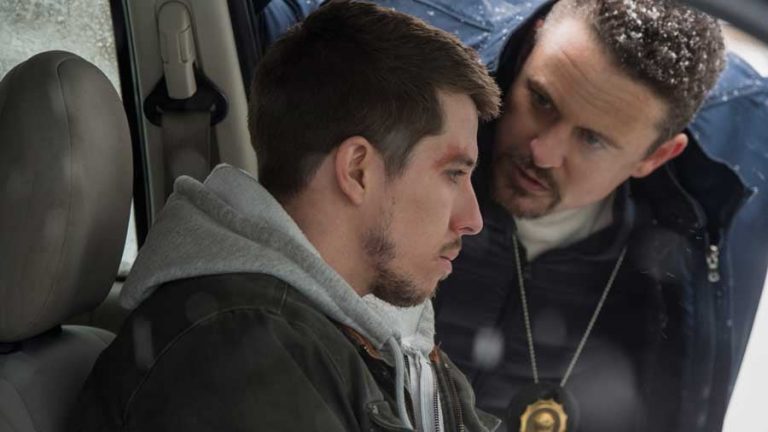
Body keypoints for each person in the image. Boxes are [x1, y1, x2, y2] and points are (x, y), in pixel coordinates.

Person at [69, 2, 504, 431]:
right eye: (453, 173)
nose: (472, 219)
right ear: (358, 171)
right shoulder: (236, 353)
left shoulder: (385, 338)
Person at [366, 0, 768, 431]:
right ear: (531, 44)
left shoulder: (747, 147)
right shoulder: (399, 40)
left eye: (591, 140)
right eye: (541, 100)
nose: (542, 151)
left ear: (655, 157)